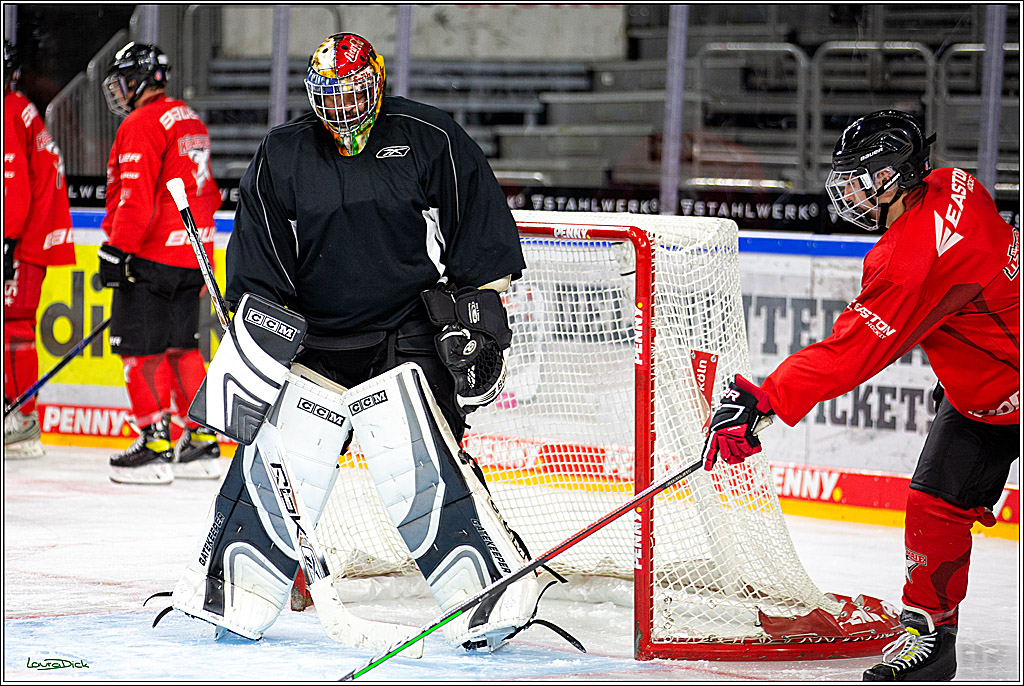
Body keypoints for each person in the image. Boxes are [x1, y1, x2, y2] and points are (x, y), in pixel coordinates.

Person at [168, 32, 563, 653]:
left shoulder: (427, 138)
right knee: (284, 458)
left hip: (404, 330)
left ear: (376, 83)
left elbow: (477, 235)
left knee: (418, 461)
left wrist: (480, 327)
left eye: (353, 92)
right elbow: (258, 266)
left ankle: (488, 593)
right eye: (330, 95)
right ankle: (236, 591)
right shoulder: (284, 153)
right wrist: (260, 346)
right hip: (314, 339)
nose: (344, 108)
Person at [701, 110, 1019, 682]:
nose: (847, 191)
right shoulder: (954, 182)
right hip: (987, 389)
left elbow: (853, 352)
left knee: (937, 499)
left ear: (895, 176)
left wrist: (766, 400)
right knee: (934, 503)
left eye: (859, 178)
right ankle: (930, 635)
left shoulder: (908, 261)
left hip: (1005, 379)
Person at [98, 42, 222, 484]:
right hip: (191, 255)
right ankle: (201, 440)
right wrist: (203, 255)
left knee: (140, 353)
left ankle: (154, 441)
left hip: (150, 258)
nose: (118, 90)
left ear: (136, 80)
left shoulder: (141, 122)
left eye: (121, 80)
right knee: (181, 348)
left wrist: (116, 250)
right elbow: (205, 195)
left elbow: (136, 199)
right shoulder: (189, 118)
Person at [4, 39, 76, 458]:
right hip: (31, 237)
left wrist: (7, 241)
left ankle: (23, 420)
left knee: (13, 331)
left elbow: (11, 186)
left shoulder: (10, 110)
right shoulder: (21, 108)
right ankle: (18, 414)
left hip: (22, 240)